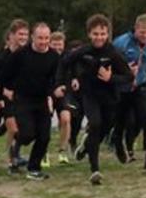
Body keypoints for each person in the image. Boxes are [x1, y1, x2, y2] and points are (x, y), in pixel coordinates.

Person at [57, 14, 133, 185]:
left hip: (110, 97)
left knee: (102, 129)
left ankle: (85, 146)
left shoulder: (113, 53)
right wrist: (60, 83)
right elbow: (64, 63)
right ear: (89, 34)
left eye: (103, 34)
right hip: (89, 95)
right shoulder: (83, 51)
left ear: (108, 34)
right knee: (95, 124)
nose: (99, 37)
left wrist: (111, 78)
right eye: (96, 34)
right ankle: (95, 169)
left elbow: (128, 76)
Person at [0, 23, 63, 180]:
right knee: (28, 134)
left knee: (44, 136)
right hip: (22, 99)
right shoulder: (21, 54)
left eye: (46, 38)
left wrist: (51, 95)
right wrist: (5, 91)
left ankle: (34, 169)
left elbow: (53, 79)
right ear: (33, 38)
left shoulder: (54, 57)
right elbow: (5, 75)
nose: (43, 42)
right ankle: (16, 146)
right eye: (40, 38)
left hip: (41, 100)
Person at [112, 14, 146, 174]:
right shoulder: (121, 43)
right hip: (123, 87)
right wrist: (124, 68)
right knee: (121, 120)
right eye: (142, 32)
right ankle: (117, 142)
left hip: (142, 85)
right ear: (135, 29)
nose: (145, 36)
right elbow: (112, 63)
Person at [0, 20, 29, 166]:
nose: (23, 37)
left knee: (15, 129)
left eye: (26, 34)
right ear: (12, 35)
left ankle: (13, 158)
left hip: (16, 98)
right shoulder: (0, 57)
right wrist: (0, 94)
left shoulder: (27, 55)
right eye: (20, 34)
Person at [47, 31, 72, 166]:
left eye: (60, 44)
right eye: (54, 44)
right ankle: (43, 153)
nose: (57, 47)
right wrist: (51, 93)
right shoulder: (45, 58)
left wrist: (65, 88)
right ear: (50, 44)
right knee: (45, 123)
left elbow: (71, 77)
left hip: (62, 94)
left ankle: (62, 150)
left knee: (66, 119)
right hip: (47, 94)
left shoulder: (67, 59)